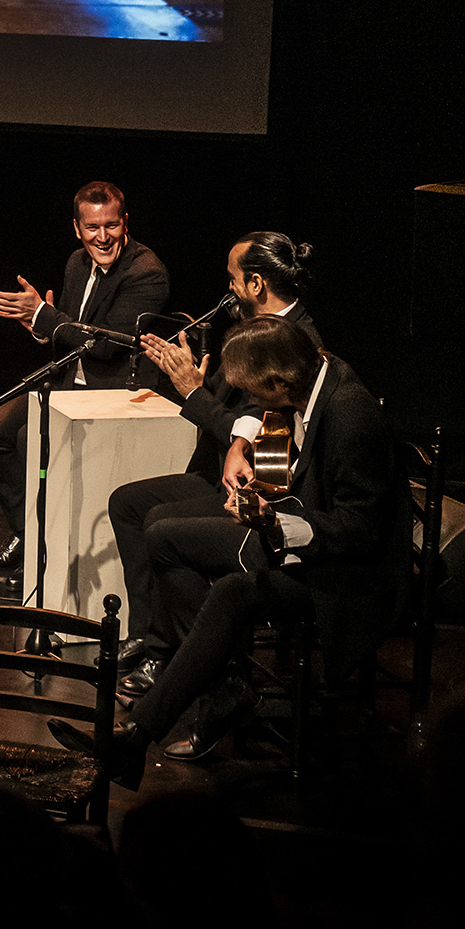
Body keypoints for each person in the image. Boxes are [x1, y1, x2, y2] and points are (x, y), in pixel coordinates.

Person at [53, 313, 401, 780]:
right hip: (299, 535)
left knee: (231, 592)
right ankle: (221, 691)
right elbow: (295, 461)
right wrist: (264, 486)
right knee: (162, 535)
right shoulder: (311, 375)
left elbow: (360, 530)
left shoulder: (349, 414)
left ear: (279, 382)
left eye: (254, 392)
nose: (251, 403)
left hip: (342, 574)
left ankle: (143, 733)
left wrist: (275, 521)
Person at [110, 231, 322, 696]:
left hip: (262, 487)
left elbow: (269, 431)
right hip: (223, 471)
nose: (228, 288)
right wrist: (193, 383)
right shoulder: (257, 329)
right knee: (127, 503)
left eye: (233, 279)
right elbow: (241, 414)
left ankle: (178, 654)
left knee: (159, 522)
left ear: (256, 284)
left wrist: (195, 394)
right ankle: (149, 634)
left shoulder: (293, 341)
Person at [0, 181, 171, 572]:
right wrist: (41, 328)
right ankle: (27, 534)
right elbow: (67, 329)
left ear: (125, 222)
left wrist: (44, 316)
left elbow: (104, 345)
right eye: (92, 227)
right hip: (70, 384)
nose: (103, 237)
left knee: (30, 438)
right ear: (77, 228)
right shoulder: (76, 263)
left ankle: (45, 555)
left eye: (111, 225)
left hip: (113, 392)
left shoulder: (146, 273)